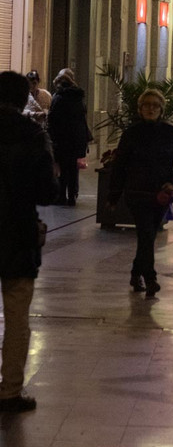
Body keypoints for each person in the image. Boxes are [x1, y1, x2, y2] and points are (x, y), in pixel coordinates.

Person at [0, 70, 58, 412]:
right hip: (18, 235)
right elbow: (46, 192)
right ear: (25, 98)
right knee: (18, 316)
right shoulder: (33, 135)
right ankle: (9, 390)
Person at [107, 88, 173, 296]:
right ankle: (150, 277)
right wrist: (113, 196)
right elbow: (120, 166)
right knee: (146, 234)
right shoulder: (132, 134)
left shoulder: (171, 133)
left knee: (148, 236)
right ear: (140, 109)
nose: (150, 109)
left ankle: (136, 272)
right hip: (137, 193)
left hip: (160, 194)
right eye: (147, 105)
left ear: (161, 109)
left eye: (155, 105)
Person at [47, 68, 90, 206]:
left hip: (62, 139)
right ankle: (72, 196)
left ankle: (61, 196)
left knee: (63, 168)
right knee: (72, 168)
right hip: (76, 138)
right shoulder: (79, 98)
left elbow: (52, 119)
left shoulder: (58, 97)